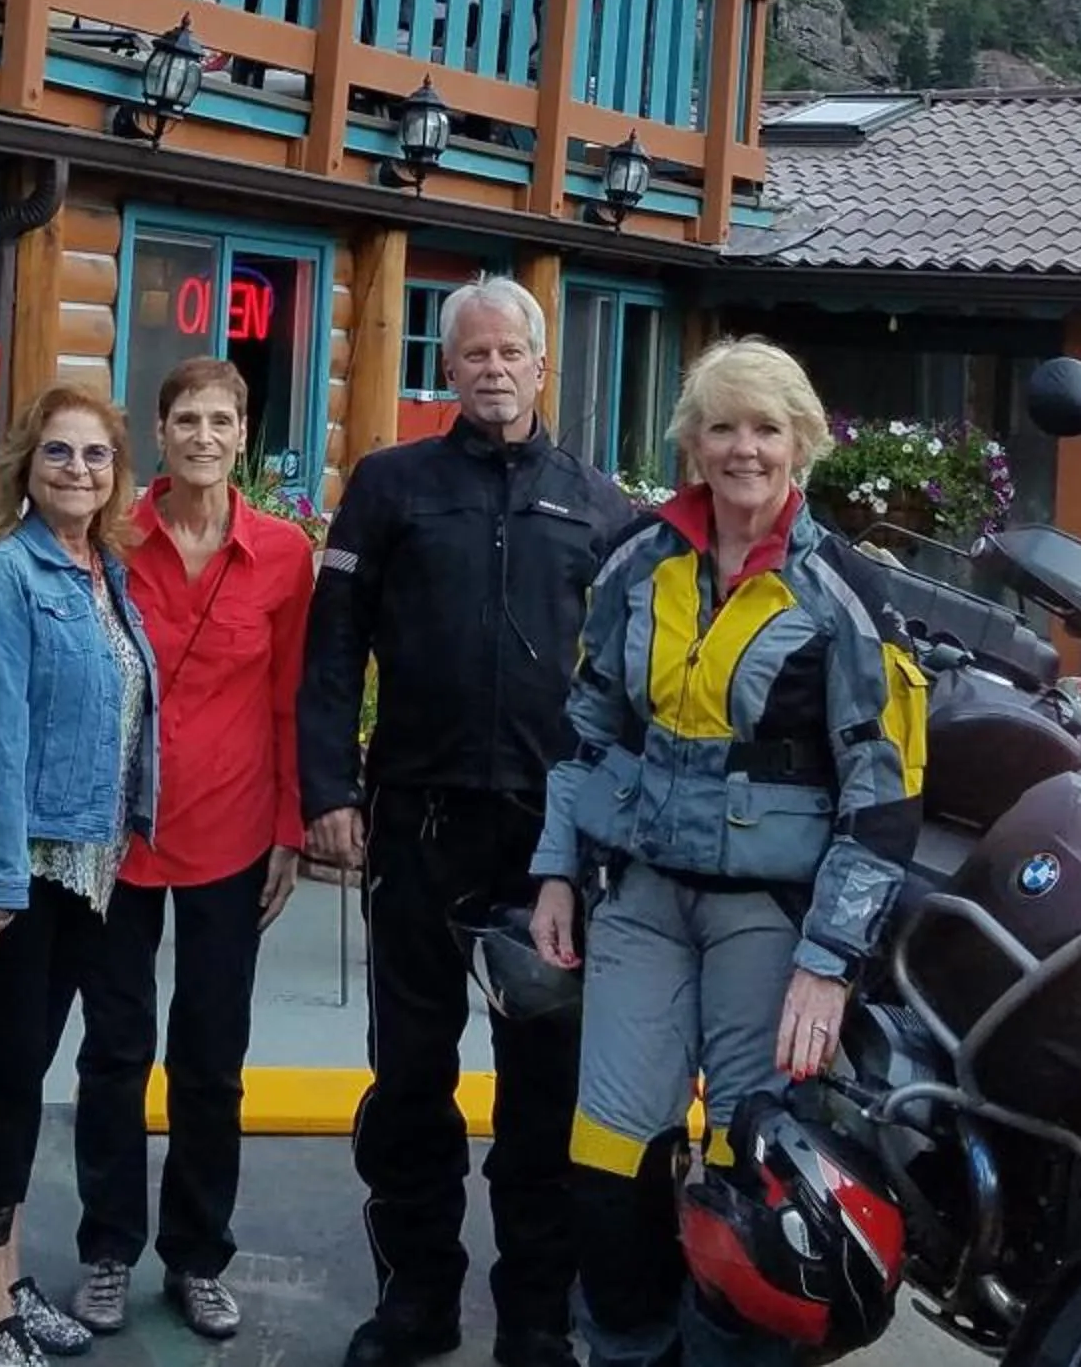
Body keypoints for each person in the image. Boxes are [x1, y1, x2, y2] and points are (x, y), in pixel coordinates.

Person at [528, 339, 927, 1367]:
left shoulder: (845, 595)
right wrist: (557, 870)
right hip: (643, 900)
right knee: (611, 1157)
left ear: (802, 443)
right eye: (721, 427)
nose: (743, 449)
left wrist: (828, 968)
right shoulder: (640, 560)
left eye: (765, 428)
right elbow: (588, 729)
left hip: (772, 918)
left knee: (758, 1176)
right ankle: (622, 1345)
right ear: (692, 444)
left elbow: (882, 804)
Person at [297, 278, 637, 1367]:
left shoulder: (601, 506)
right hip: (417, 825)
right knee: (410, 1081)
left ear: (543, 367)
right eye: (473, 354)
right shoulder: (391, 486)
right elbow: (334, 645)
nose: (493, 370)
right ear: (448, 370)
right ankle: (416, 1304)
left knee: (543, 1094)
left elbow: (628, 685)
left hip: (548, 846)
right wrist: (329, 791)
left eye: (511, 354)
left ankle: (534, 1315)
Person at [69, 360, 315, 1344]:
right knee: (114, 1053)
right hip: (118, 834)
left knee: (213, 1061)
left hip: (233, 831)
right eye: (186, 420)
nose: (204, 437)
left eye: (222, 421)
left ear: (244, 435)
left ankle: (198, 1256)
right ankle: (106, 1253)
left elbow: (293, 695)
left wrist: (294, 825)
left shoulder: (285, 555)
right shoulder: (110, 536)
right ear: (157, 433)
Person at [0, 384, 162, 1367]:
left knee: (31, 1080)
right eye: (58, 455)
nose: (79, 471)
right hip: (32, 867)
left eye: (95, 456)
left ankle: (4, 1276)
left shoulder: (103, 571)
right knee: (8, 1079)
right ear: (24, 473)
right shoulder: (11, 572)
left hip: (94, 867)